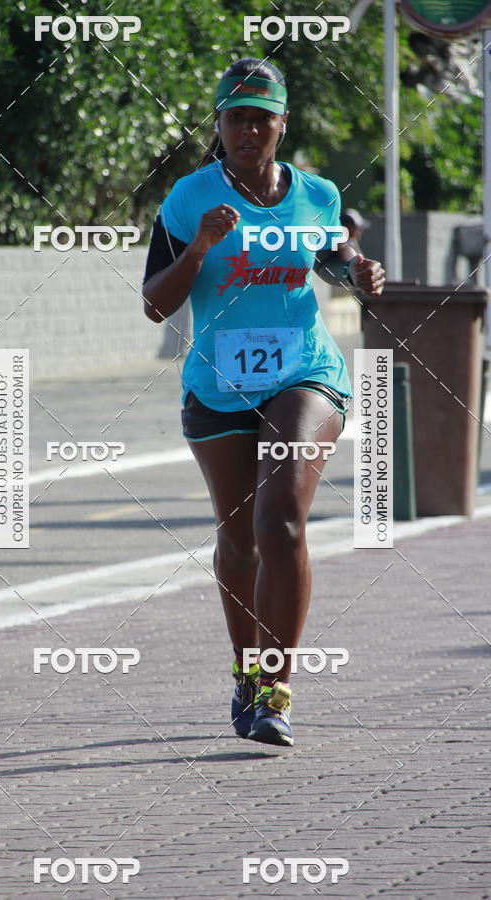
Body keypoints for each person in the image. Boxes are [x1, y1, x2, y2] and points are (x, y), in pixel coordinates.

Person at [142, 58, 385, 747]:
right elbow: (156, 303)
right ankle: (246, 671)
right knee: (238, 537)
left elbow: (335, 260)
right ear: (217, 126)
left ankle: (277, 687)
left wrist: (360, 273)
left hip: (303, 374)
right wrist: (200, 248)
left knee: (280, 519)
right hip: (216, 387)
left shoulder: (316, 194)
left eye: (261, 118)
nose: (249, 130)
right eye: (235, 118)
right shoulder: (187, 200)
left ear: (283, 124)